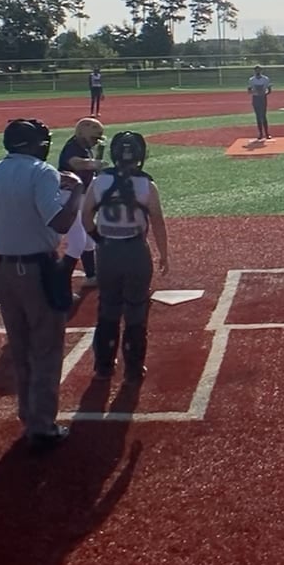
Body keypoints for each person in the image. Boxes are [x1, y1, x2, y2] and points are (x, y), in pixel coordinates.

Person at [0, 119, 84, 450]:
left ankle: (28, 414)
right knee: (46, 348)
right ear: (35, 144)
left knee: (20, 348)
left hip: (5, 268)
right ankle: (43, 426)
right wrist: (77, 190)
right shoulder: (42, 171)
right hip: (39, 268)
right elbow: (60, 222)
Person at [83, 131, 170, 384]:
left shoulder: (100, 181)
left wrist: (99, 239)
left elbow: (85, 216)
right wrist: (164, 254)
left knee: (108, 307)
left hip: (108, 251)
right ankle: (133, 369)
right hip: (135, 251)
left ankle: (104, 366)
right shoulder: (147, 184)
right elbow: (157, 222)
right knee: (136, 309)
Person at [58, 118, 106, 288]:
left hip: (79, 196)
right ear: (83, 131)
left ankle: (91, 275)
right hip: (69, 197)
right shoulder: (73, 147)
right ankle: (60, 282)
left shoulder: (84, 148)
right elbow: (76, 163)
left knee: (87, 241)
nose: (97, 140)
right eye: (95, 136)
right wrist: (95, 164)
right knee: (77, 241)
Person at [248, 66, 274, 140]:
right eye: (256, 70)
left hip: (262, 98)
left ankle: (267, 133)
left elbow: (269, 90)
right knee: (258, 116)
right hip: (255, 98)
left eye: (259, 70)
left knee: (263, 115)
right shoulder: (251, 80)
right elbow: (249, 90)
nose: (258, 72)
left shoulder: (265, 79)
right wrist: (254, 91)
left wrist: (264, 92)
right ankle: (260, 133)